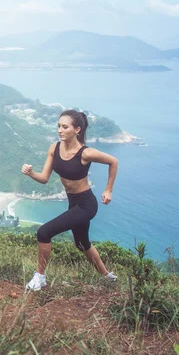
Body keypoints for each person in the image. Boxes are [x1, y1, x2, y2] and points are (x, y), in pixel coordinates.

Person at [22, 109, 119, 291]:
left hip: (86, 205)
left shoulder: (85, 153)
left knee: (44, 233)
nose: (60, 130)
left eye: (65, 127)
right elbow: (44, 178)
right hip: (73, 202)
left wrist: (108, 190)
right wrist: (31, 173)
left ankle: (40, 277)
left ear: (77, 130)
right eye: (58, 126)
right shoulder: (54, 148)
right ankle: (107, 276)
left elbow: (113, 161)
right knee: (82, 243)